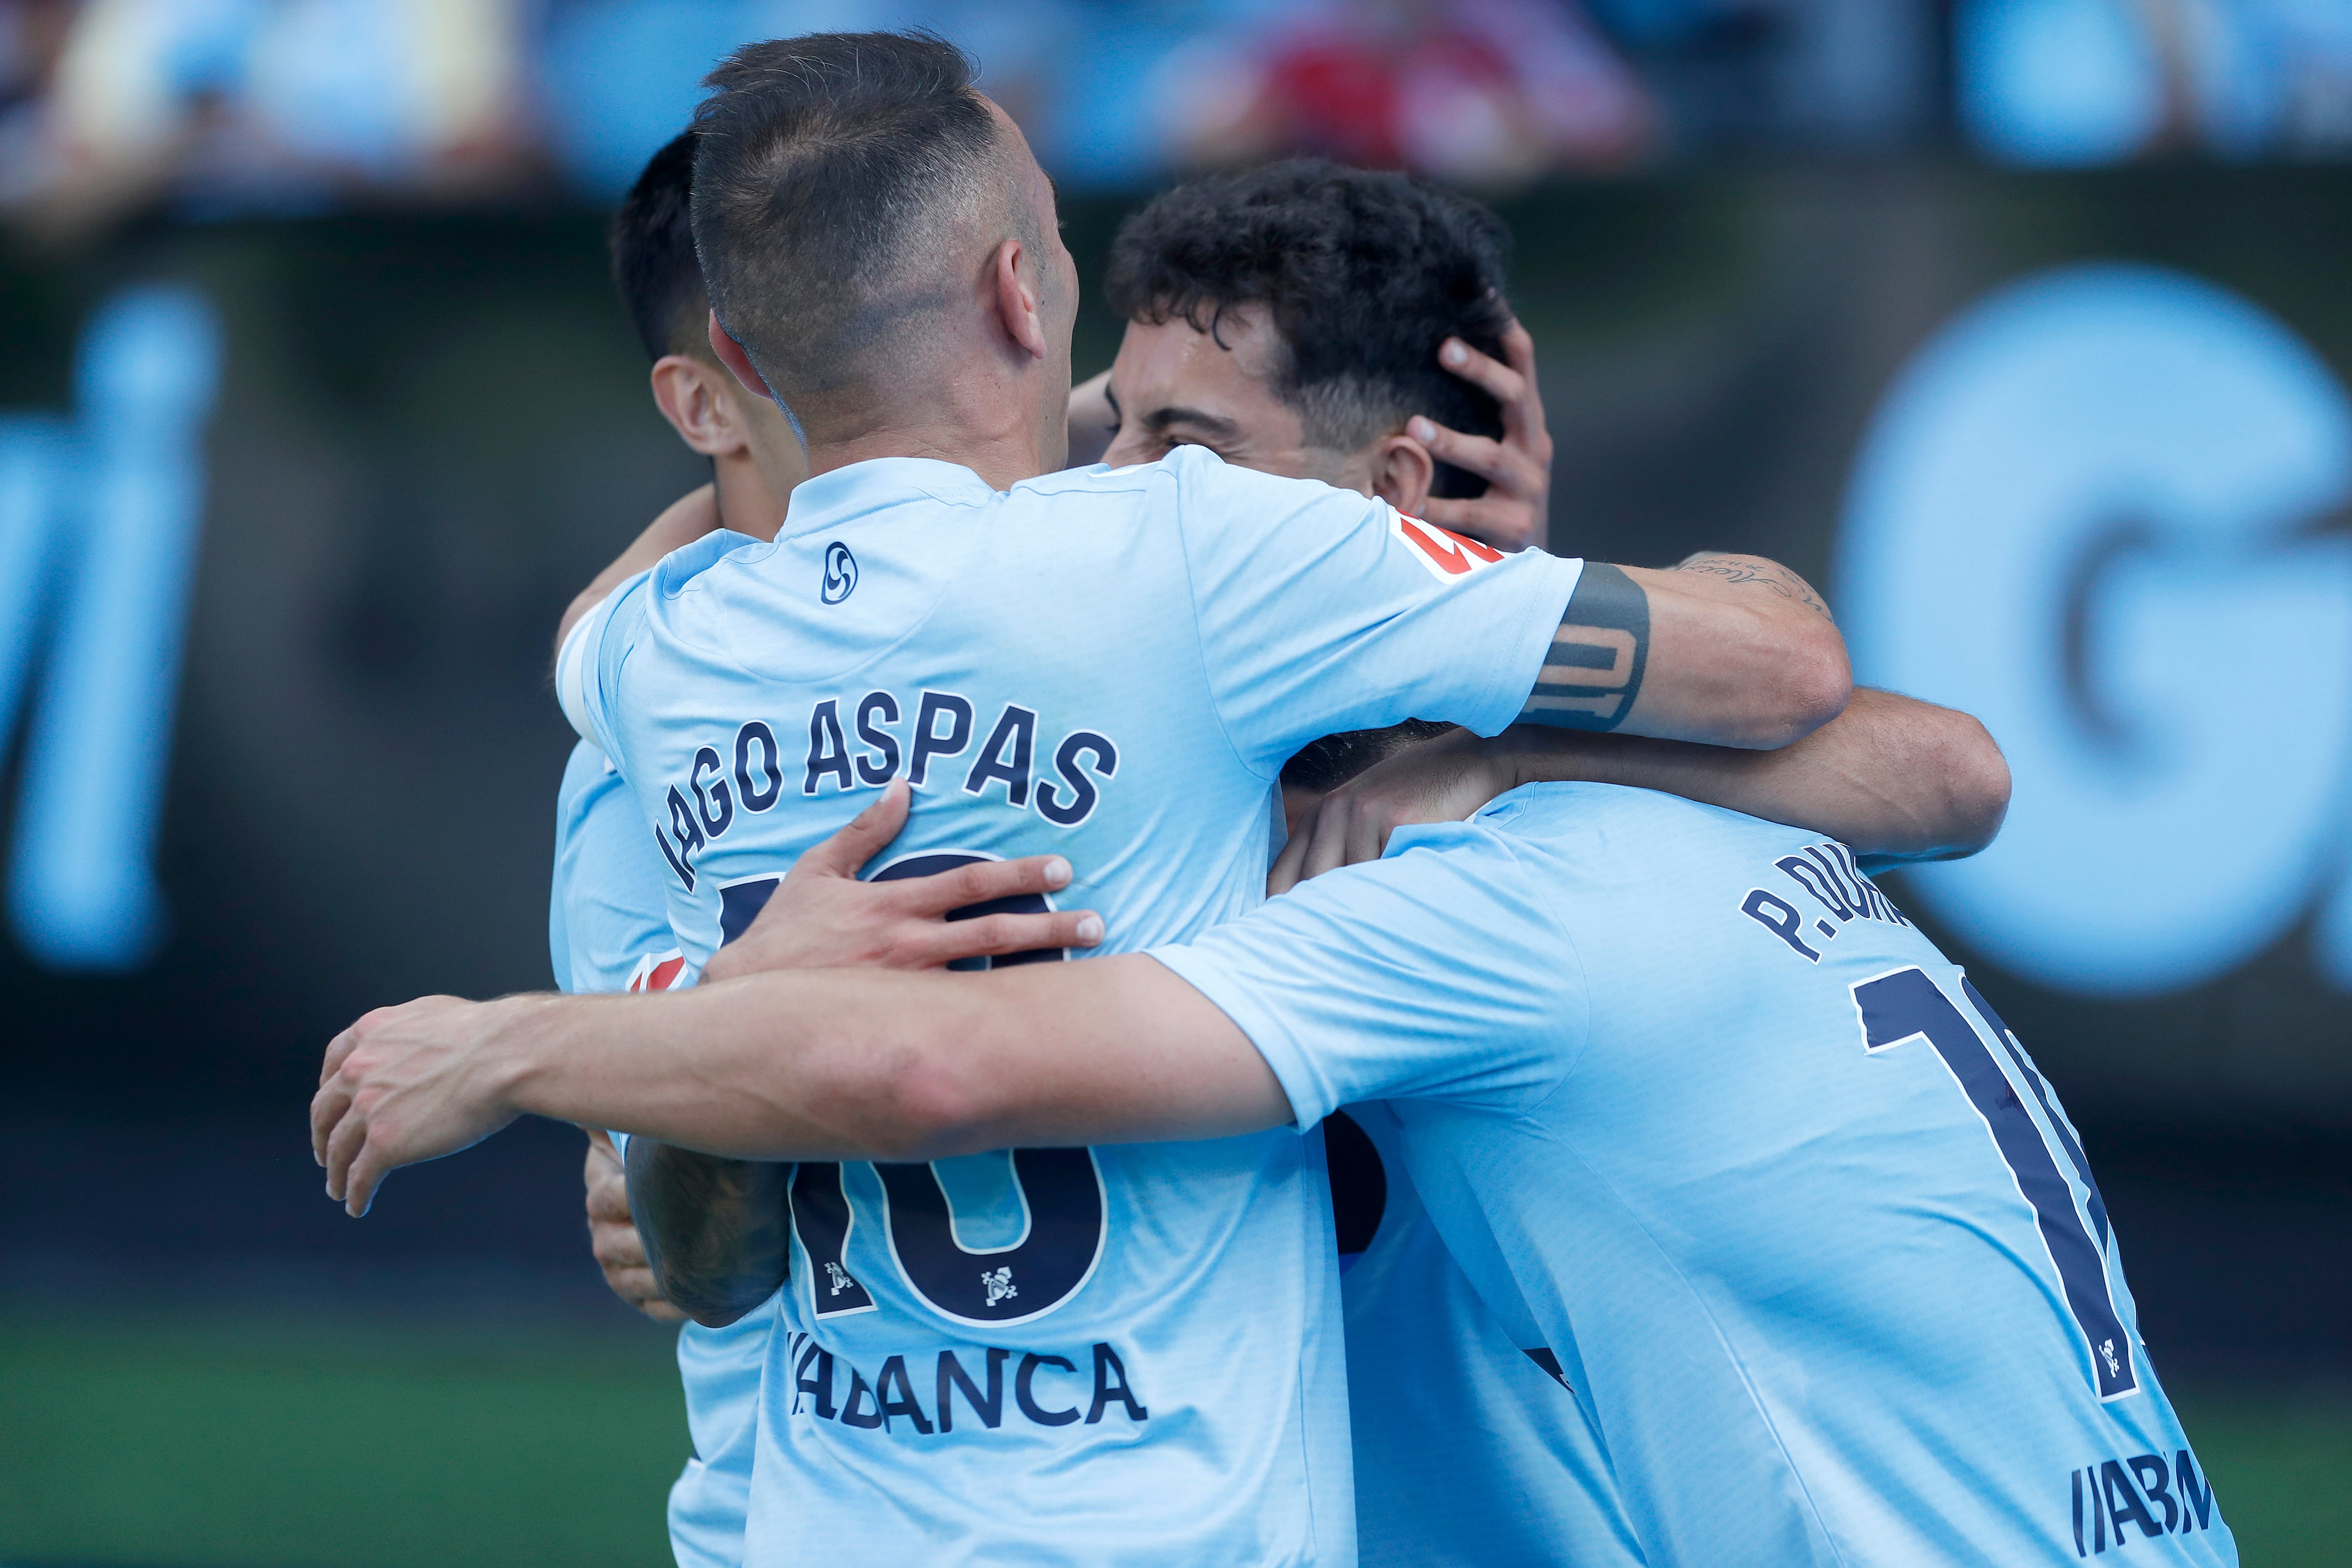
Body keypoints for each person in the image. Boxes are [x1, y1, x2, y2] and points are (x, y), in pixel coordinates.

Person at [560, 143, 2004, 1562]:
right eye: (1103, 424)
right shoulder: (1066, 733)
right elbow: (673, 1222)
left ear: (1391, 493)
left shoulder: (1417, 768)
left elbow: (1948, 769)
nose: (1107, 481)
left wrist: (1498, 690)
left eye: (1175, 445)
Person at [314, 740, 2237, 1567]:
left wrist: (546, 1048)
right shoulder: (1665, 814)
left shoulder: (1457, 917)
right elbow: (1946, 768)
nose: (1132, 498)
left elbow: (924, 1070)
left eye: (1184, 452)